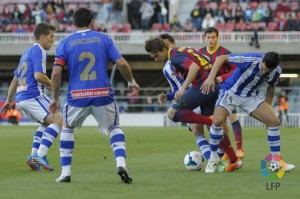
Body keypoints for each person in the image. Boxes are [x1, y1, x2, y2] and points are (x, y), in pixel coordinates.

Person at [49, 8, 139, 183]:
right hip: (102, 94)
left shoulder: (65, 43)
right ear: (92, 22)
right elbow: (121, 63)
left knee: (67, 128)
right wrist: (131, 82)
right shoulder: (104, 39)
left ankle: (65, 172)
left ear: (74, 23)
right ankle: (121, 163)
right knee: (114, 127)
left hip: (77, 96)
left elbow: (55, 75)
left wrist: (54, 97)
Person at [145, 36, 242, 172]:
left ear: (163, 49)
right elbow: (206, 60)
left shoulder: (174, 55)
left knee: (172, 113)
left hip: (201, 87)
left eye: (156, 55)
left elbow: (194, 66)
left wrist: (183, 88)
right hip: (212, 86)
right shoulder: (185, 49)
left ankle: (208, 121)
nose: (156, 59)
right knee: (214, 128)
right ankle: (234, 160)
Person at [201, 51, 295, 173]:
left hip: (250, 97)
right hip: (231, 92)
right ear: (262, 61)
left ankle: (277, 162)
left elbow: (271, 87)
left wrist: (268, 107)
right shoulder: (250, 59)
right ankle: (213, 159)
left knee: (274, 122)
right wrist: (210, 78)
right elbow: (221, 58)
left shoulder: (276, 71)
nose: (264, 72)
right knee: (218, 120)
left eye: (268, 71)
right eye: (263, 68)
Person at [0, 22, 62, 172]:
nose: (53, 40)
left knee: (46, 124)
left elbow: (15, 79)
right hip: (33, 95)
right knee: (59, 120)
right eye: (51, 36)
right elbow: (39, 76)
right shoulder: (39, 51)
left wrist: (9, 100)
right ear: (42, 37)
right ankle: (40, 155)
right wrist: (53, 86)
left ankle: (33, 157)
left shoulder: (26, 53)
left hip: (22, 98)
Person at [198, 27, 244, 160]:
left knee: (232, 117)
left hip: (225, 88)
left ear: (217, 38)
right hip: (208, 90)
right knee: (214, 121)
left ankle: (239, 149)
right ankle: (224, 150)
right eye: (208, 37)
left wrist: (220, 78)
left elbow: (236, 71)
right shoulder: (200, 52)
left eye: (213, 37)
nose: (211, 40)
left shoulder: (225, 53)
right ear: (204, 38)